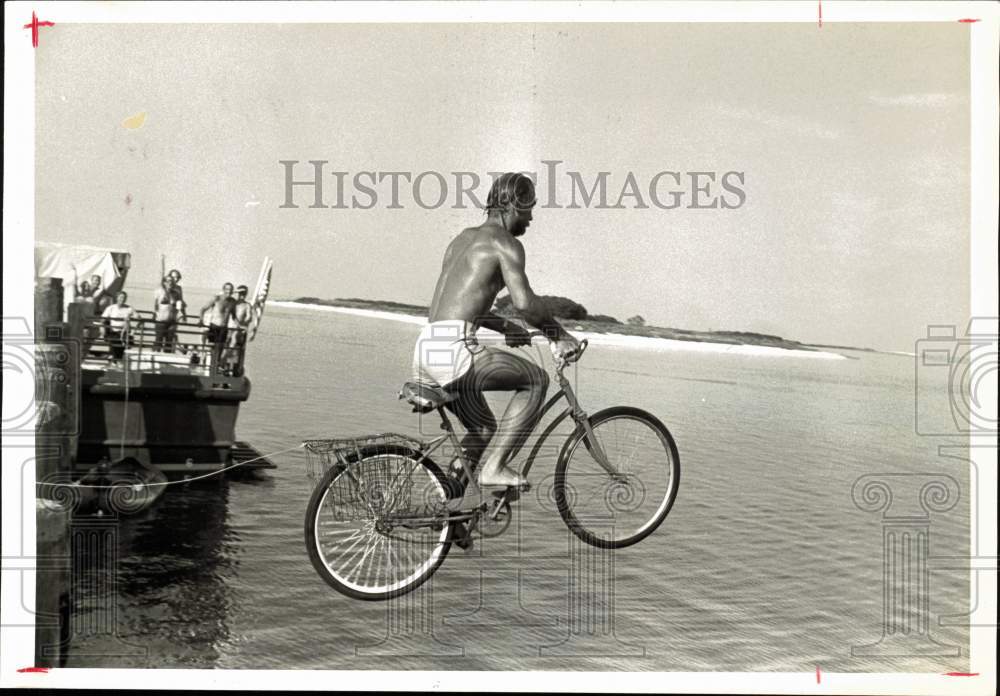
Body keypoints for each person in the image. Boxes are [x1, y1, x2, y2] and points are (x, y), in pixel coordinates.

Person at [412, 172, 580, 489]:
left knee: (483, 429)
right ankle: (495, 468)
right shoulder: (506, 244)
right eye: (529, 207)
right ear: (512, 204)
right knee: (535, 380)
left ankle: (452, 512)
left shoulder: (461, 239)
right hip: (453, 353)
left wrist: (504, 326)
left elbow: (460, 304)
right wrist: (560, 336)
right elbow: (525, 303)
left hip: (426, 347)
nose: (531, 216)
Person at [199, 283, 237, 373]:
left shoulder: (232, 301)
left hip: (224, 327)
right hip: (214, 326)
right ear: (223, 289)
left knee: (220, 348)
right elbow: (203, 309)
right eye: (227, 289)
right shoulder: (216, 298)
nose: (229, 291)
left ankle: (215, 366)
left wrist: (240, 325)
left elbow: (234, 315)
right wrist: (201, 320)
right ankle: (206, 364)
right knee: (212, 347)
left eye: (231, 289)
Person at [101, 291, 136, 363]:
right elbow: (102, 319)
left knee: (122, 344)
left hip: (124, 331)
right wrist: (103, 329)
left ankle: (116, 360)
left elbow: (138, 317)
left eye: (124, 297)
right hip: (113, 331)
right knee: (115, 342)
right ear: (117, 298)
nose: (122, 299)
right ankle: (115, 360)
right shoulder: (111, 308)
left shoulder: (128, 308)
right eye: (120, 297)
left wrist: (130, 316)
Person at [226, 285, 253, 375]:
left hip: (239, 331)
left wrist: (242, 324)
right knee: (226, 348)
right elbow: (224, 296)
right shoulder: (233, 303)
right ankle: (225, 368)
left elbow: (249, 317)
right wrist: (235, 291)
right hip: (228, 329)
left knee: (237, 352)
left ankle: (235, 370)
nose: (242, 295)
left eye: (243, 293)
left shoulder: (247, 305)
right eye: (241, 293)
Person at [153, 275, 180, 352]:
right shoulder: (159, 291)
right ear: (164, 282)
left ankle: (166, 358)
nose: (170, 283)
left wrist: (175, 315)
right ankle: (155, 355)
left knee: (169, 341)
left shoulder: (176, 293)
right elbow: (155, 305)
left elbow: (178, 307)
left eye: (171, 281)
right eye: (168, 281)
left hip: (171, 321)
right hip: (161, 320)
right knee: (159, 340)